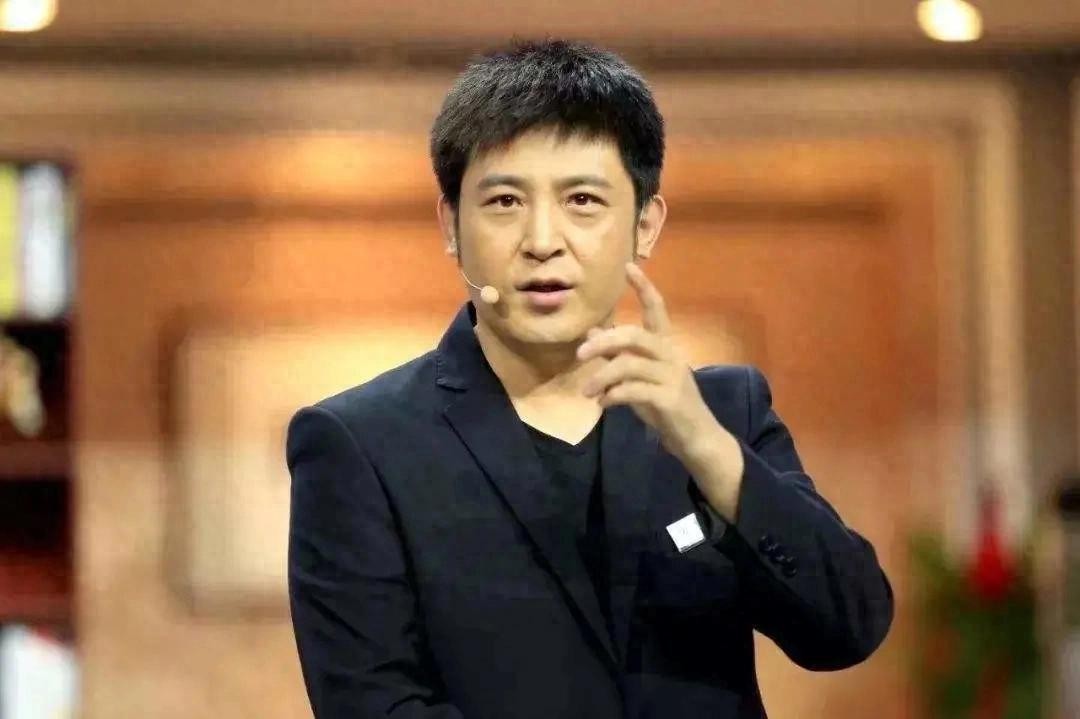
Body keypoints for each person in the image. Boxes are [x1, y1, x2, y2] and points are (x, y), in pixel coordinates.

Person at [285, 38, 894, 719]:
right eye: (505, 201)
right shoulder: (359, 444)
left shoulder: (726, 412)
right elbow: (374, 703)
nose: (543, 240)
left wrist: (708, 451)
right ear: (450, 224)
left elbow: (849, 626)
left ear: (645, 225)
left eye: (582, 199)